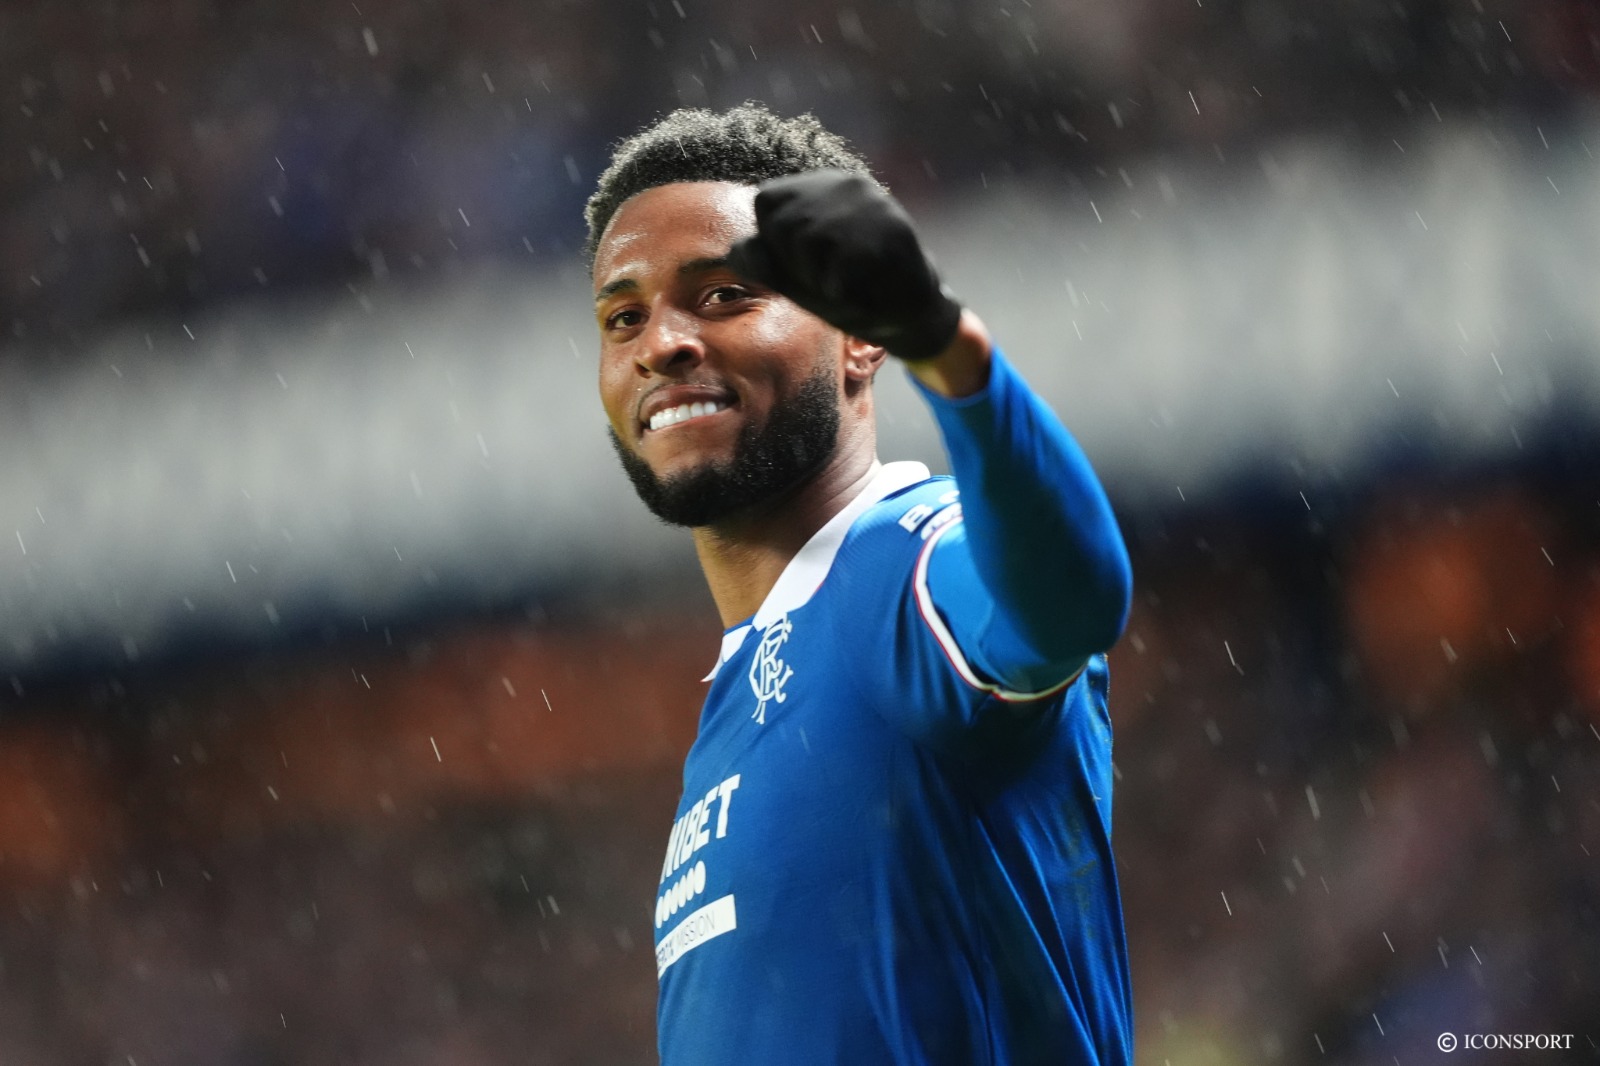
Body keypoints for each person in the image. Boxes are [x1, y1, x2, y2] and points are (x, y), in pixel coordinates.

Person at [585, 103, 1134, 1066]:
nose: (659, 342)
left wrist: (949, 349)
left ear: (859, 337)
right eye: (623, 317)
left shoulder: (901, 565)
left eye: (723, 295)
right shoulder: (735, 705)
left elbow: (1071, 602)